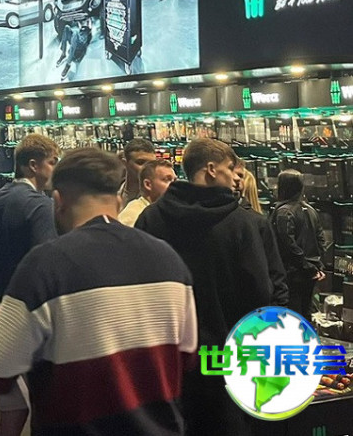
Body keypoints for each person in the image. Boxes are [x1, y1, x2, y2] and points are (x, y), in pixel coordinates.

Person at [0, 148, 198, 436]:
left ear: (58, 200)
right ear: (118, 199)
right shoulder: (168, 260)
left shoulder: (45, 265)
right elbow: (187, 357)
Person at [135, 138, 272, 436]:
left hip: (168, 358)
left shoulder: (150, 218)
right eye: (229, 168)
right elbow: (260, 292)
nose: (235, 178)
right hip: (226, 356)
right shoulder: (241, 223)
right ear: (211, 169)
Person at [0, 133, 60, 436]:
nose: (56, 169)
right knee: (40, 404)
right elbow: (47, 262)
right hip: (28, 318)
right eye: (52, 162)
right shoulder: (39, 206)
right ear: (33, 165)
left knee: (13, 407)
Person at [270, 170, 326, 320]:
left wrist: (307, 266)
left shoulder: (283, 212)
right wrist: (317, 266)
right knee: (305, 314)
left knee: (292, 316)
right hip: (310, 273)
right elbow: (321, 241)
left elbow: (288, 245)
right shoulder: (311, 210)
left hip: (292, 275)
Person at [233, 160, 289, 308]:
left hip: (254, 311)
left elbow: (273, 272)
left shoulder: (258, 222)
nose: (236, 180)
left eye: (240, 176)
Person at [118, 158, 176, 226]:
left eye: (175, 180)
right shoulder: (133, 216)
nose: (174, 185)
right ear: (148, 184)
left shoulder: (164, 210)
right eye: (167, 179)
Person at [119, 138, 156, 206]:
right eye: (141, 162)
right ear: (125, 163)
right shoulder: (111, 191)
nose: (147, 168)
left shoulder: (158, 197)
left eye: (151, 164)